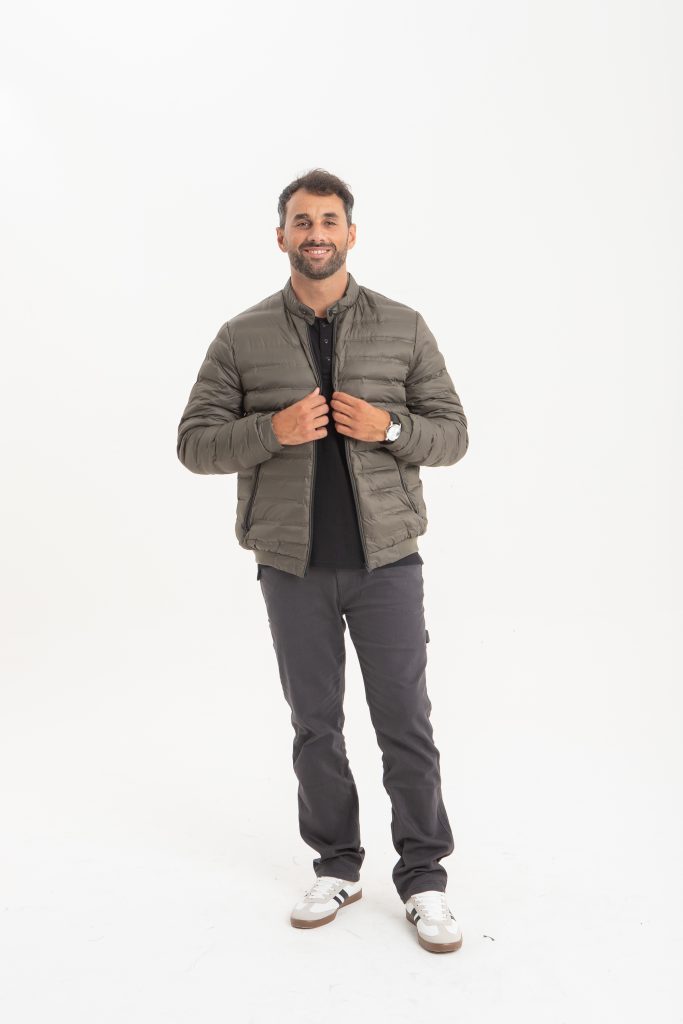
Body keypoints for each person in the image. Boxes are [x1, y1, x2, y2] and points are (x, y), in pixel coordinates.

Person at [176, 168, 469, 953]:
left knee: (405, 723)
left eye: (329, 220)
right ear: (280, 235)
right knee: (315, 727)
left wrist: (390, 428)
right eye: (302, 221)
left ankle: (424, 877)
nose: (315, 234)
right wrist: (270, 431)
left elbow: (452, 433)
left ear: (351, 233)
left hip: (387, 564)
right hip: (290, 565)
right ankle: (336, 866)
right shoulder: (241, 336)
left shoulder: (402, 326)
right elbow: (194, 444)